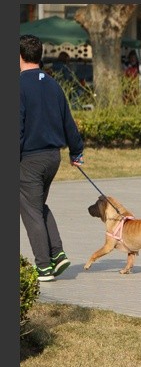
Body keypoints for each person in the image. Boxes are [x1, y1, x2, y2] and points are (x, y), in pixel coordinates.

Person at [19, 34, 85, 282]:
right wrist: (76, 151)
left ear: (20, 56)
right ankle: (57, 255)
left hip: (30, 159)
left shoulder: (19, 85)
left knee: (30, 210)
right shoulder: (52, 84)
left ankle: (43, 266)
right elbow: (68, 122)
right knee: (37, 206)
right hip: (52, 157)